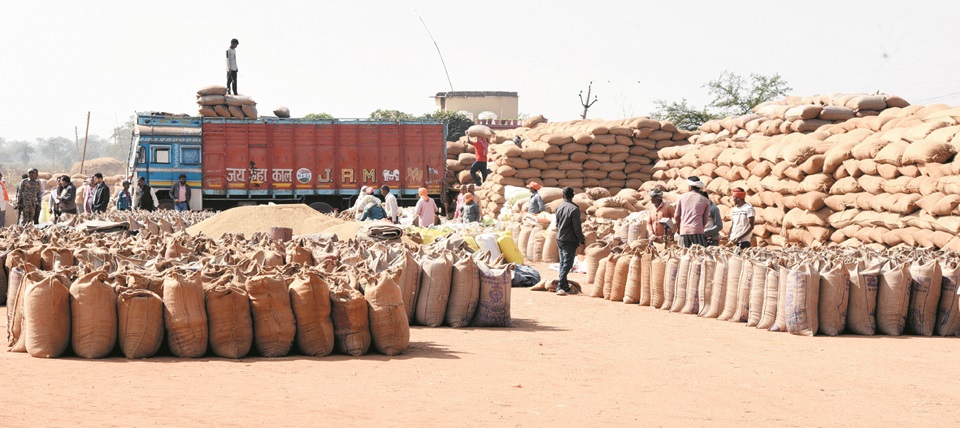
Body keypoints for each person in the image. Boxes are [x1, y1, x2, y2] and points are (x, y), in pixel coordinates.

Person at [554, 187, 585, 296]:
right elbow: (577, 227)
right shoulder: (574, 209)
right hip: (569, 240)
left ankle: (564, 286)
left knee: (563, 262)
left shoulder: (559, 208)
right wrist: (581, 239)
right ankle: (560, 286)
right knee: (567, 264)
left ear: (563, 196)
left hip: (560, 238)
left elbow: (557, 225)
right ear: (573, 196)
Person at [672, 176, 711, 248]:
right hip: (698, 231)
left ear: (690, 187)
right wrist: (700, 228)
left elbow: (676, 216)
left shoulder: (681, 197)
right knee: (700, 255)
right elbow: (705, 219)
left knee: (684, 255)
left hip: (684, 231)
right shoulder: (705, 200)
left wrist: (679, 228)